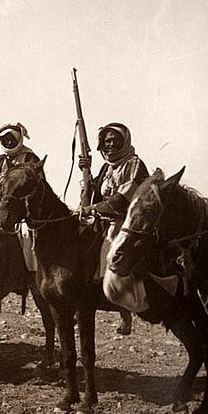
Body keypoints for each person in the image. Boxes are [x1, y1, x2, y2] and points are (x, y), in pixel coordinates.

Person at [79, 122, 149, 335]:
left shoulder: (134, 164)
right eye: (107, 141)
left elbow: (122, 198)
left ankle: (125, 314)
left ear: (124, 141)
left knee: (113, 249)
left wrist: (94, 208)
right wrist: (87, 177)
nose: (110, 145)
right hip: (102, 220)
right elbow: (93, 197)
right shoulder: (106, 167)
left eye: (115, 140)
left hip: (127, 222)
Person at [0, 122, 42, 272]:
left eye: (12, 139)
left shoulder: (30, 158)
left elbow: (37, 185)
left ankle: (31, 272)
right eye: (5, 140)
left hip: (22, 210)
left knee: (25, 233)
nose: (9, 142)